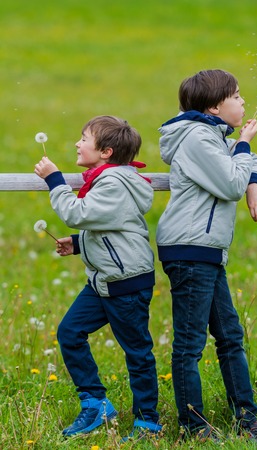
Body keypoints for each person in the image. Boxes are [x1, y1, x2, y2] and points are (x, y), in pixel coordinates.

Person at [156, 69, 257, 443]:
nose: (242, 102)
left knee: (230, 337)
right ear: (215, 106)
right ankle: (193, 427)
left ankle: (247, 419)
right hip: (190, 250)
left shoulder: (213, 137)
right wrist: (245, 149)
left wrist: (254, 181)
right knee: (190, 345)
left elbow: (249, 169)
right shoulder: (198, 140)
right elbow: (233, 181)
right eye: (236, 96)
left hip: (206, 251)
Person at [34, 115, 162, 439]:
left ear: (105, 152)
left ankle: (147, 421)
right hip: (104, 280)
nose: (77, 143)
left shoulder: (115, 183)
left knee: (136, 352)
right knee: (70, 332)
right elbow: (112, 226)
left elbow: (77, 214)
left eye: (84, 138)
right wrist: (78, 243)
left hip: (125, 283)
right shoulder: (106, 178)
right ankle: (96, 404)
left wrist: (55, 181)